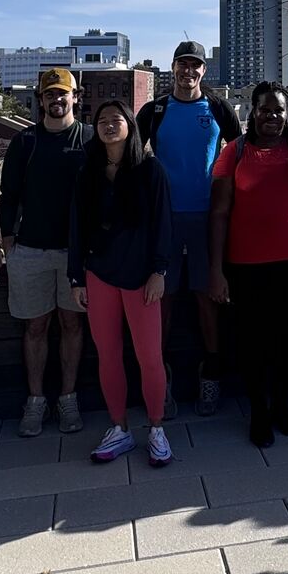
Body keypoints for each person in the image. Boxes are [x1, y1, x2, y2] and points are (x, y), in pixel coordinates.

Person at [210, 82, 288, 446]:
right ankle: (258, 411)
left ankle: (282, 405)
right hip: (246, 266)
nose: (272, 116)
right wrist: (215, 270)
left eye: (279, 110)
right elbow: (218, 214)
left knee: (285, 340)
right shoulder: (234, 153)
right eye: (265, 109)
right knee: (252, 342)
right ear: (253, 111)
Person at [136, 40, 242, 418]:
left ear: (203, 71)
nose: (189, 71)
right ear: (174, 67)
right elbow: (134, 159)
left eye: (195, 66)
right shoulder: (155, 110)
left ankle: (210, 373)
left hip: (207, 218)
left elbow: (240, 153)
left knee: (207, 296)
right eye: (183, 64)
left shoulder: (216, 108)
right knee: (162, 300)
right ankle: (159, 379)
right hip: (164, 220)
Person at [70, 100, 175, 467]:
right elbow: (78, 227)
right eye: (102, 120)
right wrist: (76, 276)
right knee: (108, 355)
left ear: (130, 125)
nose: (109, 125)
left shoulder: (149, 170)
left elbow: (164, 225)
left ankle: (157, 428)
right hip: (99, 274)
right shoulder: (89, 172)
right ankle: (120, 428)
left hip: (142, 277)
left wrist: (159, 272)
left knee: (150, 357)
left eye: (117, 119)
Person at [0, 68, 94, 437]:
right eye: (50, 94)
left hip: (76, 253)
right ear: (41, 99)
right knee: (35, 327)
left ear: (75, 97)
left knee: (72, 325)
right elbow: (9, 197)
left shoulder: (89, 139)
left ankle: (67, 398)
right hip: (32, 250)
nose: (57, 100)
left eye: (63, 94)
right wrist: (8, 241)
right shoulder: (26, 142)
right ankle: (35, 400)